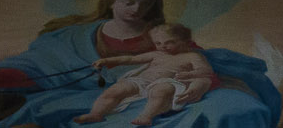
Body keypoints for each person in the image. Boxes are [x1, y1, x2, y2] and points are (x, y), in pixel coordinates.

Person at [0, 0, 281, 128]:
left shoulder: (164, 37)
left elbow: (197, 64)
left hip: (168, 93)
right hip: (100, 96)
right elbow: (33, 70)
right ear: (112, 1)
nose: (136, 10)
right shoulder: (72, 37)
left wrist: (201, 83)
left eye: (144, 5)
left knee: (238, 107)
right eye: (129, 2)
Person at [77, 25, 217, 126]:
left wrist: (190, 74)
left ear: (185, 42)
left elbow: (206, 71)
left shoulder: (192, 56)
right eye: (158, 43)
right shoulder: (156, 54)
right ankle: (96, 114)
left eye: (169, 42)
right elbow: (130, 59)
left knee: (160, 91)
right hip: (142, 80)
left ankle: (146, 116)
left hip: (169, 82)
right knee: (115, 90)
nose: (163, 46)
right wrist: (106, 61)